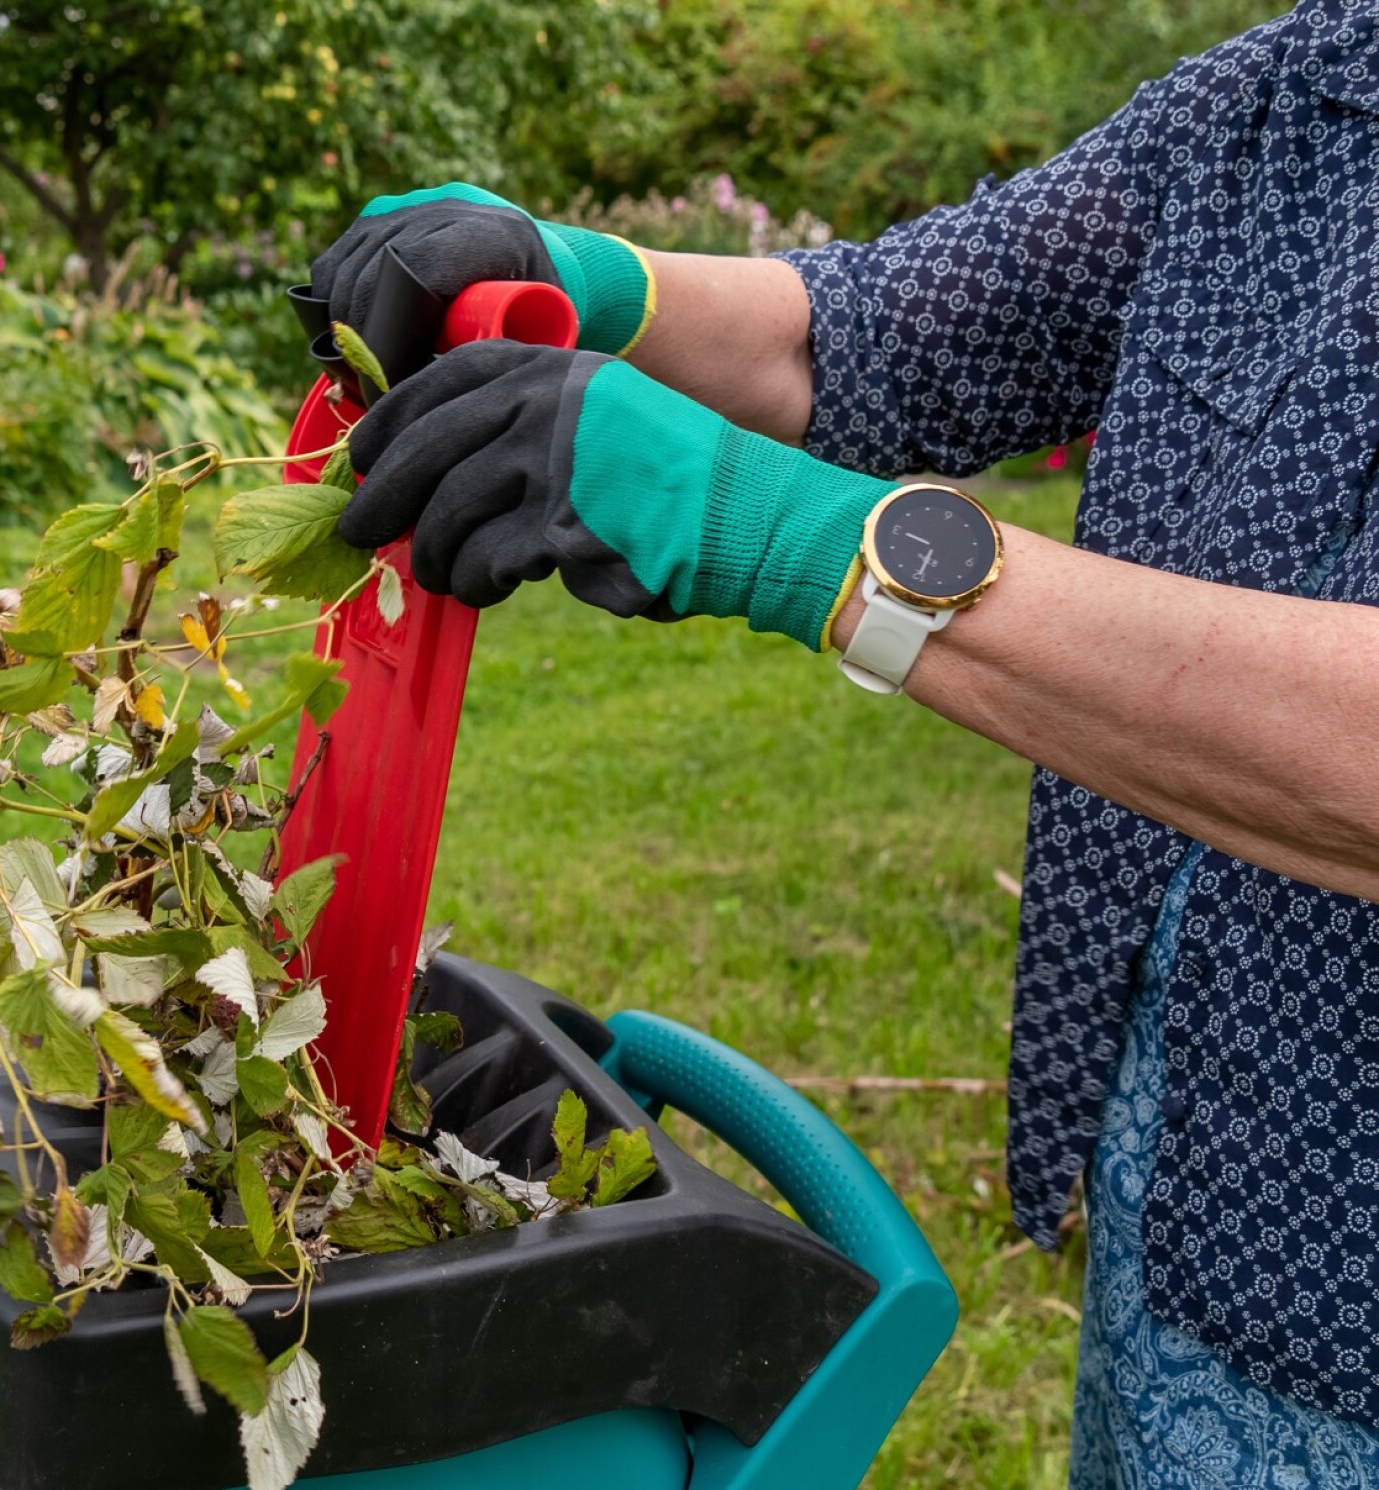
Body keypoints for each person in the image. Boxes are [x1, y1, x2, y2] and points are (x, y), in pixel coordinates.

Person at [305, 1, 1379, 1484]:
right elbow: (883, 331)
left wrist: (797, 539)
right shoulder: (1306, 94)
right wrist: (579, 279)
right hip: (1201, 1167)